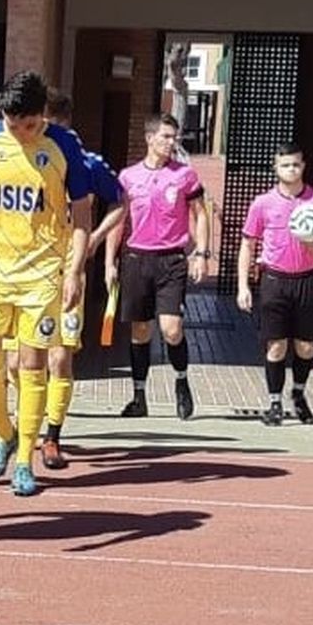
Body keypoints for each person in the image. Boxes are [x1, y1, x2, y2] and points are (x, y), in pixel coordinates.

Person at [0, 71, 97, 497]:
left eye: (28, 125)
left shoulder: (64, 145)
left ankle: (24, 459)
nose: (19, 133)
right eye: (11, 124)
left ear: (42, 117)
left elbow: (81, 214)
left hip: (42, 273)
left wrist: (74, 271)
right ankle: (3, 433)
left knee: (33, 363)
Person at [36, 88, 123, 468]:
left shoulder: (85, 162)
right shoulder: (21, 159)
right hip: (26, 270)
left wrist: (94, 241)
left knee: (59, 354)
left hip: (68, 271)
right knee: (19, 360)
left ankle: (52, 435)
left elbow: (121, 202)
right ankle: (21, 432)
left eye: (47, 123)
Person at [104, 114, 209, 420]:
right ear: (150, 138)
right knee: (140, 329)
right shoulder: (128, 177)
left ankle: (181, 380)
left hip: (172, 259)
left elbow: (200, 214)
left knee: (171, 328)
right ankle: (139, 396)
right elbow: (117, 220)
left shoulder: (185, 175)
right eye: (165, 136)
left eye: (174, 137)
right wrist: (110, 261)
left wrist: (201, 253)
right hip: (137, 258)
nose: (170, 142)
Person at [236, 143, 313, 426]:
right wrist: (243, 286)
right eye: (285, 165)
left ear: (303, 166)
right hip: (274, 279)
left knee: (306, 346)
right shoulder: (263, 203)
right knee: (276, 345)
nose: (291, 170)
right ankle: (274, 403)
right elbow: (248, 243)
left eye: (295, 164)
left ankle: (299, 394)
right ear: (276, 167)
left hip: (307, 280)